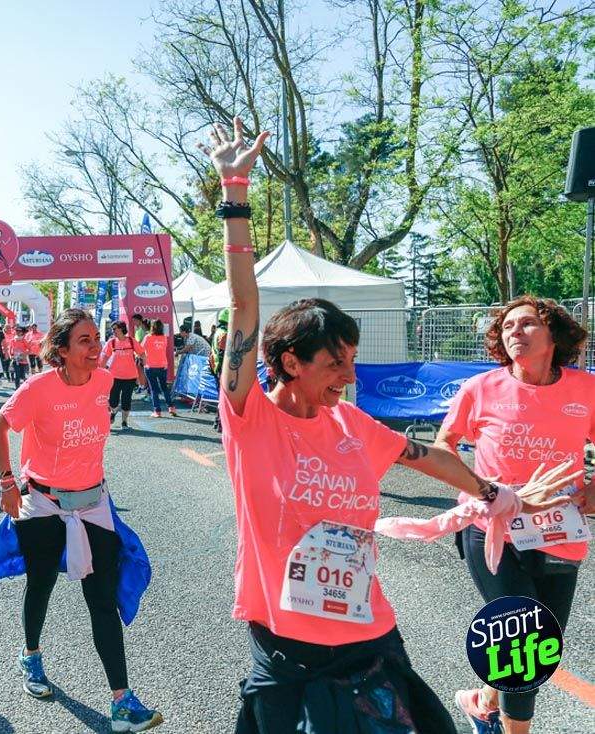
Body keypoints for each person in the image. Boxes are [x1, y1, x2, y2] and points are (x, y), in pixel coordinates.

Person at [198, 118, 578, 734]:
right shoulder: (251, 419)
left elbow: (426, 456)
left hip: (369, 631)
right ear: (289, 361)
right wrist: (235, 193)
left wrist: (493, 494)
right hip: (287, 642)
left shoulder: (352, 423)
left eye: (352, 359)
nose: (349, 376)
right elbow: (244, 306)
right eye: (335, 361)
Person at [0, 308, 163, 732]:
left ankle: (122, 702)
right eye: (84, 340)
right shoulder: (38, 388)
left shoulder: (103, 382)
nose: (94, 346)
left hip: (93, 503)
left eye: (95, 338)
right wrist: (7, 481)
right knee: (42, 583)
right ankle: (31, 656)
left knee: (101, 599)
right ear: (61, 350)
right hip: (44, 504)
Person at [436, 296, 595, 734]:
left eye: (527, 324)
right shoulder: (481, 388)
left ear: (553, 336)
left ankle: (481, 700)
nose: (514, 332)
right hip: (493, 530)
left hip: (560, 529)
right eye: (507, 327)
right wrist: (478, 493)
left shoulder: (586, 389)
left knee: (544, 646)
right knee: (523, 641)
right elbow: (443, 446)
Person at [100, 321, 144, 429]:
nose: (113, 331)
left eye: (115, 329)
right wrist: (100, 370)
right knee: (113, 401)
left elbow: (142, 353)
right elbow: (105, 357)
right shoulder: (112, 342)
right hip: (114, 376)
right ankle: (113, 412)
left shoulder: (131, 341)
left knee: (126, 400)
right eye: (113, 329)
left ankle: (124, 422)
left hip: (130, 376)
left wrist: (144, 363)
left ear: (121, 329)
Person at [141, 320, 175, 418]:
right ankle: (171, 407)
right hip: (162, 365)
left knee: (154, 389)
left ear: (152, 327)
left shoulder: (148, 337)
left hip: (150, 366)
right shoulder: (164, 338)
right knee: (164, 387)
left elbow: (141, 349)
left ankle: (157, 411)